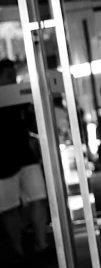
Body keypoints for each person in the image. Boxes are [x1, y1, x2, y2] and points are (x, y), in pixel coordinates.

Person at [0, 59, 49, 264]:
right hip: (3, 163)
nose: (13, 79)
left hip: (24, 156)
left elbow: (32, 123)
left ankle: (41, 243)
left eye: (13, 75)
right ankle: (19, 249)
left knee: (38, 198)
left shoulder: (19, 97)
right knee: (9, 208)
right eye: (8, 76)